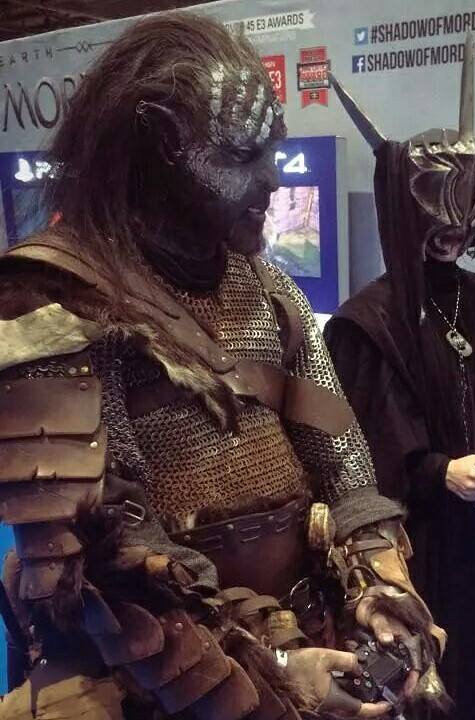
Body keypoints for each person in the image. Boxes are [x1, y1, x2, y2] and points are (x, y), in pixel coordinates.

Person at [0, 15, 446, 720]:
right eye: (242, 154)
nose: (272, 177)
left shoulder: (266, 289)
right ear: (162, 145)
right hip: (156, 675)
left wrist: (375, 578)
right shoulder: (53, 300)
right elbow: (100, 563)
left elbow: (342, 460)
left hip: (307, 628)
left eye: (271, 150)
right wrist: (274, 665)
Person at [323, 45, 475, 720]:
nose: (454, 236)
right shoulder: (367, 324)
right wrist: (439, 472)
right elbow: (361, 459)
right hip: (416, 543)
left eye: (466, 224)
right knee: (425, 670)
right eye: (440, 221)